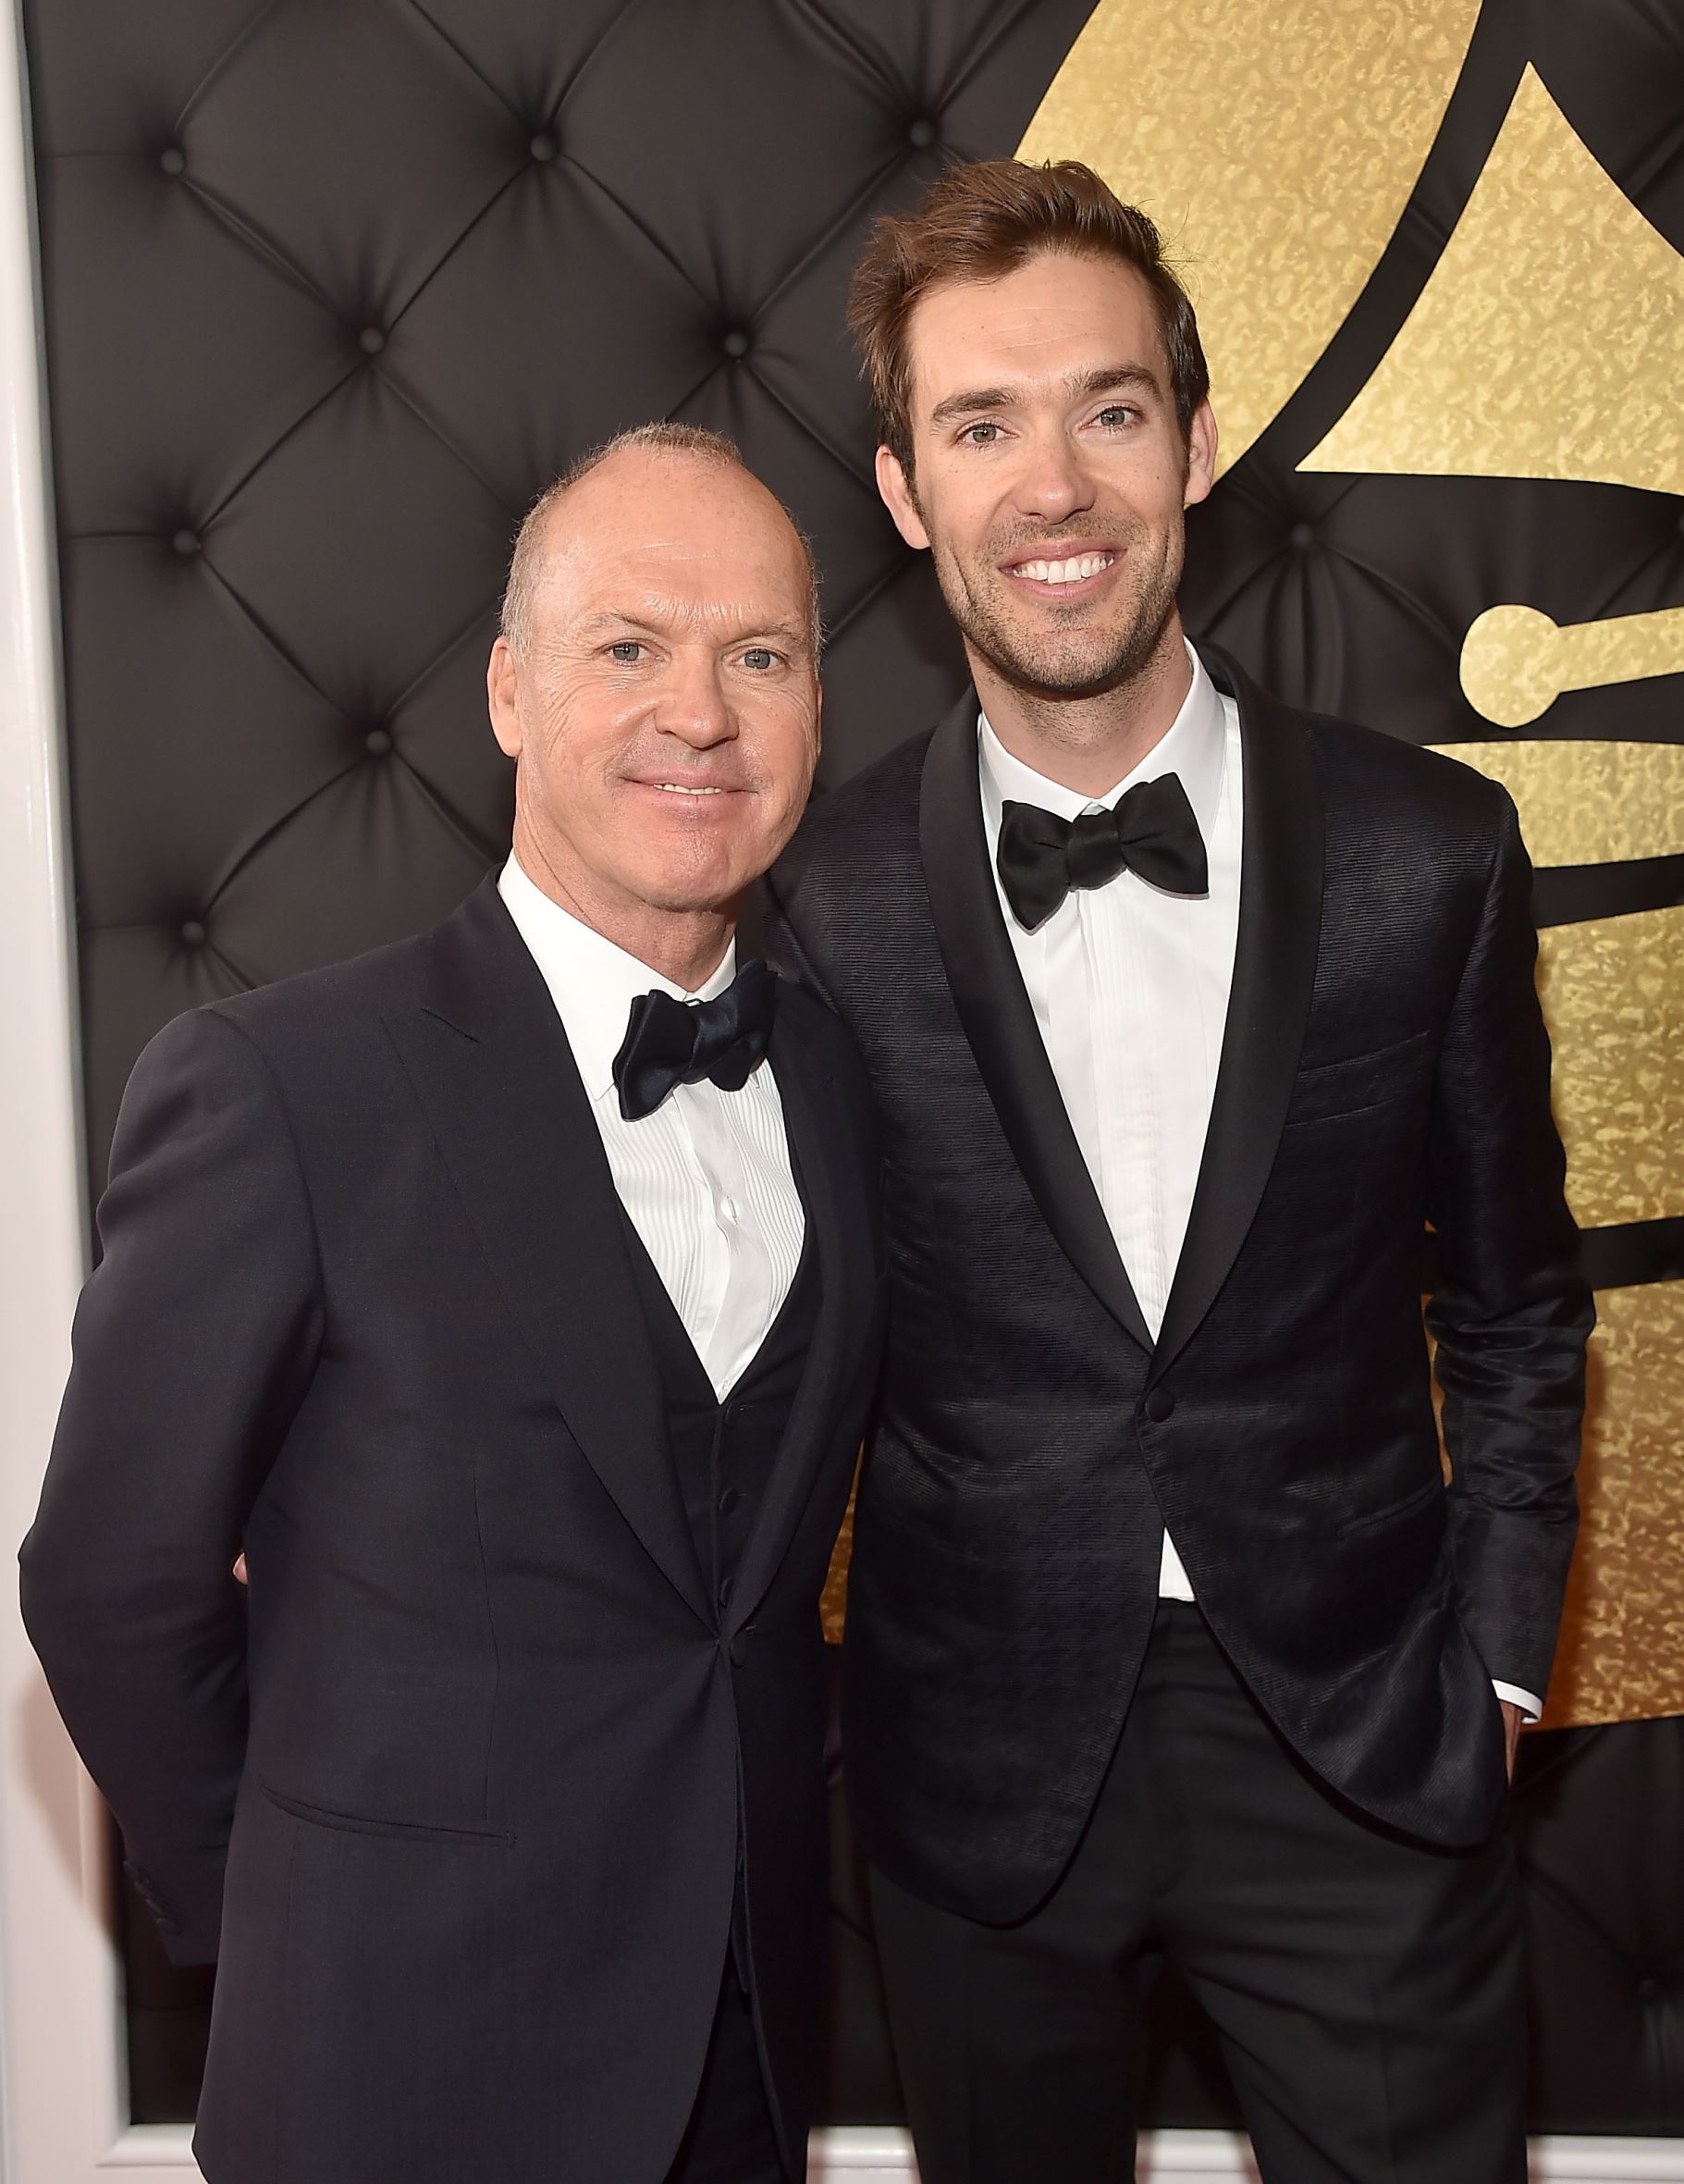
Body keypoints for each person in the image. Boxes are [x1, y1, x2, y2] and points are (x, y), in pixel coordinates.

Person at [761, 160, 1592, 2184]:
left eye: (1106, 408)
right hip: (975, 1770)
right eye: (980, 424)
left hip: (1355, 1738)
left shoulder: (1429, 854)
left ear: (1193, 443)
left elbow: (1511, 1303)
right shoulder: (811, 896)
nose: (1052, 485)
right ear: (903, 491)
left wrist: (1487, 1661)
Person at [21, 423, 882, 2184]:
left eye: (760, 656)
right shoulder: (278, 1083)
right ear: (507, 693)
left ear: (815, 706)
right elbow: (109, 1578)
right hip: (386, 2066)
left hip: (749, 2060)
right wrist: (304, 1901)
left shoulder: (848, 1084)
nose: (698, 713)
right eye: (627, 647)